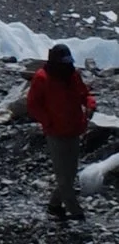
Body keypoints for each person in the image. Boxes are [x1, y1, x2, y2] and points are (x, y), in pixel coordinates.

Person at [28, 40, 98, 227]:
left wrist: (90, 105)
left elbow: (84, 94)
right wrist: (48, 121)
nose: (68, 65)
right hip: (56, 133)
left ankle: (54, 206)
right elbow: (33, 104)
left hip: (75, 129)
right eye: (64, 61)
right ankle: (77, 214)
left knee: (70, 172)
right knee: (64, 176)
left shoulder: (72, 75)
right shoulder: (42, 78)